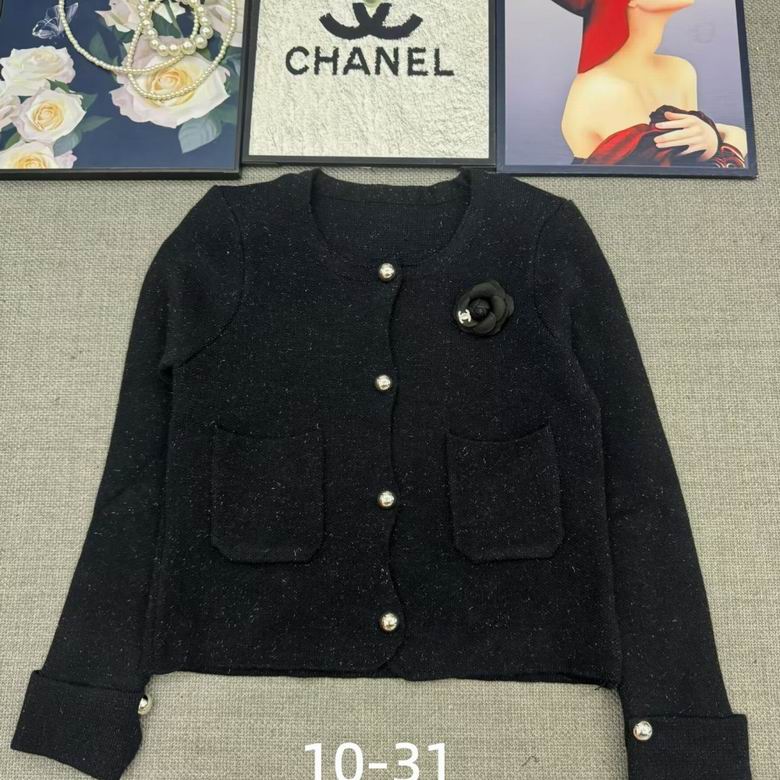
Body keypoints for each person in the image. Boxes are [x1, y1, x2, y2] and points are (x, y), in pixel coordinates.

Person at [551, 0, 748, 167]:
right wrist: (734, 141)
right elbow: (672, 186)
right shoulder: (604, 90)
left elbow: (690, 159)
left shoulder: (679, 71)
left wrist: (713, 139)